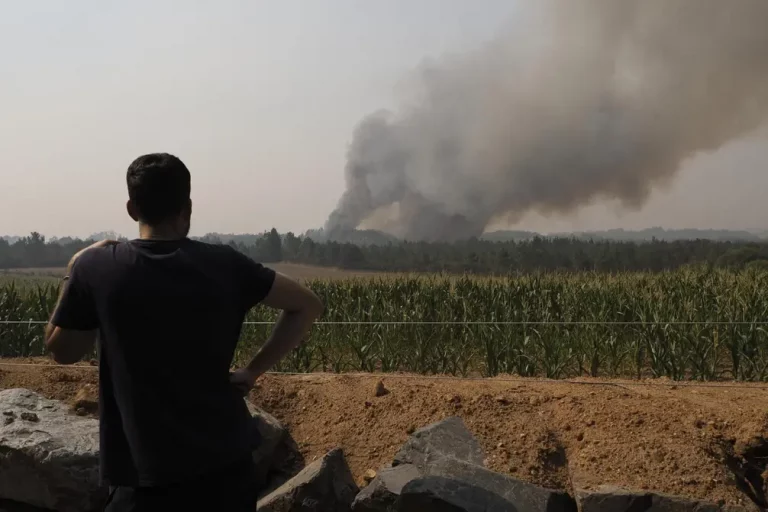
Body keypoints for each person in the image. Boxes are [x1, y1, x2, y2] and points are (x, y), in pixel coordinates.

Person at [44, 153, 324, 511]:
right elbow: (307, 305)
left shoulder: (97, 267)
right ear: (187, 208)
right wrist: (253, 370)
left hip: (142, 478)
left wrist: (73, 269)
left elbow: (63, 351)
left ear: (132, 208)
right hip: (226, 472)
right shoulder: (226, 264)